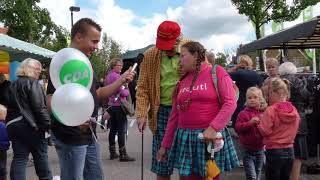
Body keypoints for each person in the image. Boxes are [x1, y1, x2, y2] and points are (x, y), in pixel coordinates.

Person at [46, 18, 135, 180]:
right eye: (94, 41)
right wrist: (72, 119)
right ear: (79, 37)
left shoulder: (86, 63)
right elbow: (51, 100)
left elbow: (98, 93)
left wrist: (121, 80)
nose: (96, 46)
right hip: (70, 137)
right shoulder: (63, 61)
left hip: (89, 135)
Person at [157, 41, 238, 180]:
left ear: (195, 55)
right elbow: (174, 117)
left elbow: (230, 102)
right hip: (185, 138)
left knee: (210, 177)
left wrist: (213, 128)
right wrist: (165, 145)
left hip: (208, 138)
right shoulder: (182, 81)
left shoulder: (216, 71)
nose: (179, 60)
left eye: (182, 56)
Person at [136, 20, 189, 180]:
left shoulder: (193, 50)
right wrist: (141, 113)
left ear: (179, 40)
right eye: (163, 45)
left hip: (187, 112)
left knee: (186, 165)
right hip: (162, 113)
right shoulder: (150, 55)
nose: (167, 50)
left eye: (171, 46)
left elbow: (205, 78)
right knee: (162, 164)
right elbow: (143, 87)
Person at [5, 58, 52, 180]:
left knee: (19, 158)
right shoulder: (33, 83)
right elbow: (39, 108)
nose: (39, 72)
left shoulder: (12, 84)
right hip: (31, 126)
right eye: (37, 69)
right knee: (41, 156)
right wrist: (48, 126)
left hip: (13, 125)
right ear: (28, 69)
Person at [258, 77, 300, 180]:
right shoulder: (294, 110)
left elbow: (265, 131)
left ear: (274, 93)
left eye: (268, 94)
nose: (267, 97)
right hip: (290, 150)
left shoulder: (271, 110)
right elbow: (296, 127)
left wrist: (259, 123)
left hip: (274, 150)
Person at [278, 62, 311, 180]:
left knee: (281, 153)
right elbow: (308, 99)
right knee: (298, 155)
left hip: (281, 121)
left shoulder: (278, 83)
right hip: (299, 122)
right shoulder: (302, 82)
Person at [105, 58, 135, 161]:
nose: (121, 67)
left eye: (121, 66)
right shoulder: (116, 76)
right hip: (118, 106)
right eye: (119, 65)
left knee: (113, 129)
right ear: (113, 65)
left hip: (111, 105)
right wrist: (127, 89)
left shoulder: (108, 76)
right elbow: (123, 93)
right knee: (121, 130)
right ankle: (123, 154)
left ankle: (112, 152)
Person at [235, 87, 266, 180]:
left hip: (260, 149)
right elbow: (238, 127)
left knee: (258, 172)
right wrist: (249, 123)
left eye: (255, 97)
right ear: (246, 99)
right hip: (247, 149)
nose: (252, 100)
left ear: (260, 99)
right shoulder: (243, 114)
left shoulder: (263, 113)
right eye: (249, 98)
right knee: (251, 175)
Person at [228, 55, 263, 127]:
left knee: (239, 124)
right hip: (256, 102)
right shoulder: (256, 74)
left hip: (241, 102)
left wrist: (236, 67)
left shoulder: (240, 73)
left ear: (240, 63)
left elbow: (225, 74)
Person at [0, 104, 9, 180]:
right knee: (3, 168)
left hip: (3, 148)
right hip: (2, 149)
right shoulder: (3, 126)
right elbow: (6, 138)